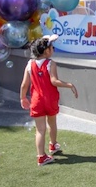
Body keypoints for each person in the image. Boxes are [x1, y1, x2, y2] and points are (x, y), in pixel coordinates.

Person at [19, 35, 78, 166]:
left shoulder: (29, 64)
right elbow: (54, 81)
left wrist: (22, 98)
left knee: (40, 130)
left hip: (36, 101)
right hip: (50, 100)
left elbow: (24, 85)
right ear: (46, 51)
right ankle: (53, 144)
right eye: (52, 47)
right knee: (52, 123)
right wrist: (69, 85)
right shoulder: (51, 63)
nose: (53, 49)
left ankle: (41, 156)